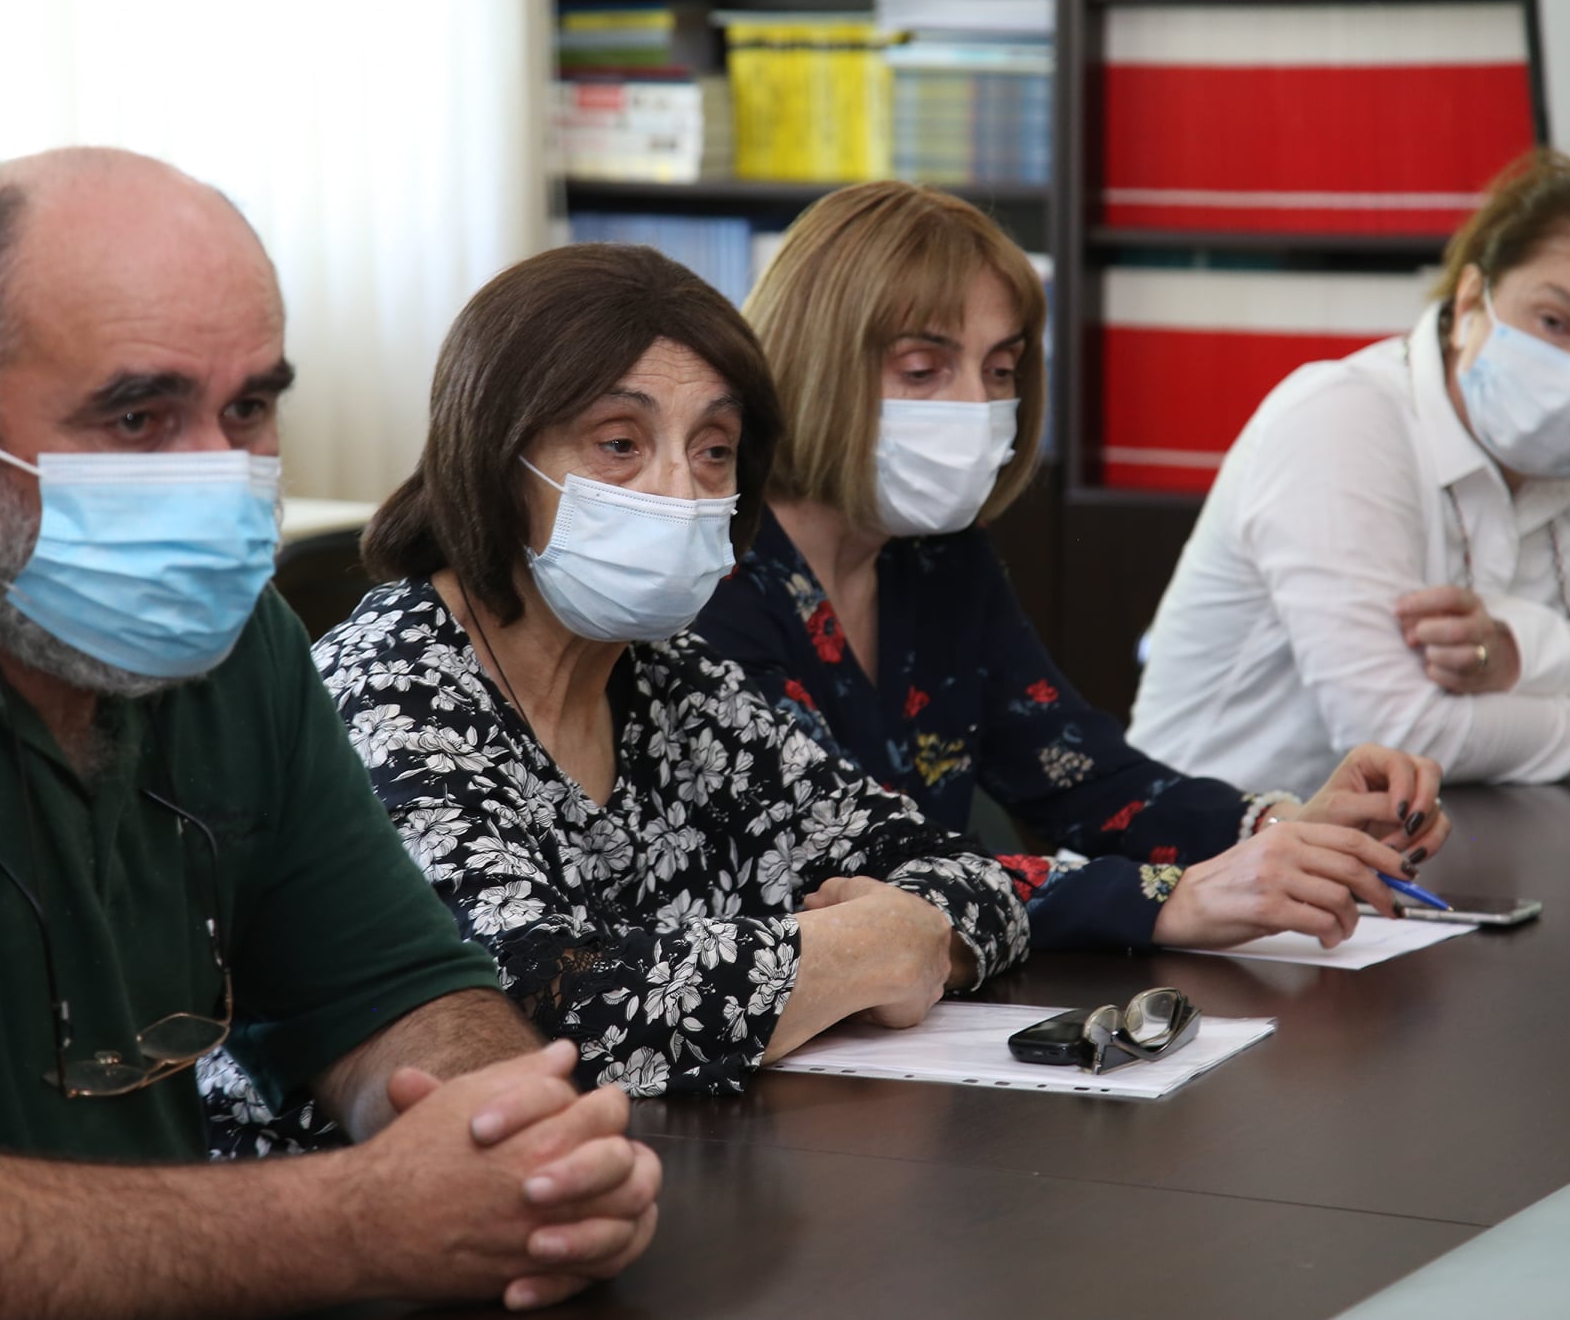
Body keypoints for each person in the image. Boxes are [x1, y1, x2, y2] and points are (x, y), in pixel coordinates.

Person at [0, 148, 659, 1317]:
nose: (217, 480)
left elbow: (391, 990)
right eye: (138, 416)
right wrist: (359, 1222)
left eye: (248, 409)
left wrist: (520, 1148)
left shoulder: (227, 642)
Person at [214, 241, 1029, 1125]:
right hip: (365, 1198)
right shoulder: (390, 695)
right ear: (497, 459)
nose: (679, 490)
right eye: (619, 443)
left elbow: (963, 871)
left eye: (713, 450)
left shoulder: (679, 683)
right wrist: (860, 950)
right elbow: (527, 1025)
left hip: (683, 1167)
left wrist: (916, 935)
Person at [693, 180, 1444, 957]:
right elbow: (852, 870)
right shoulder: (708, 577)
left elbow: (1079, 775)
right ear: (814, 366)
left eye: (1001, 370)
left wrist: (1284, 827)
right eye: (922, 370)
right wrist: (1168, 899)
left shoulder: (937, 552)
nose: (975, 405)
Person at [1127, 133, 1570, 791]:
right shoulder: (1340, 418)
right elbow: (1398, 737)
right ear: (1469, 303)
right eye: (1555, 321)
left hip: (1443, 842)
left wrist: (1514, 651)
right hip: (1211, 845)